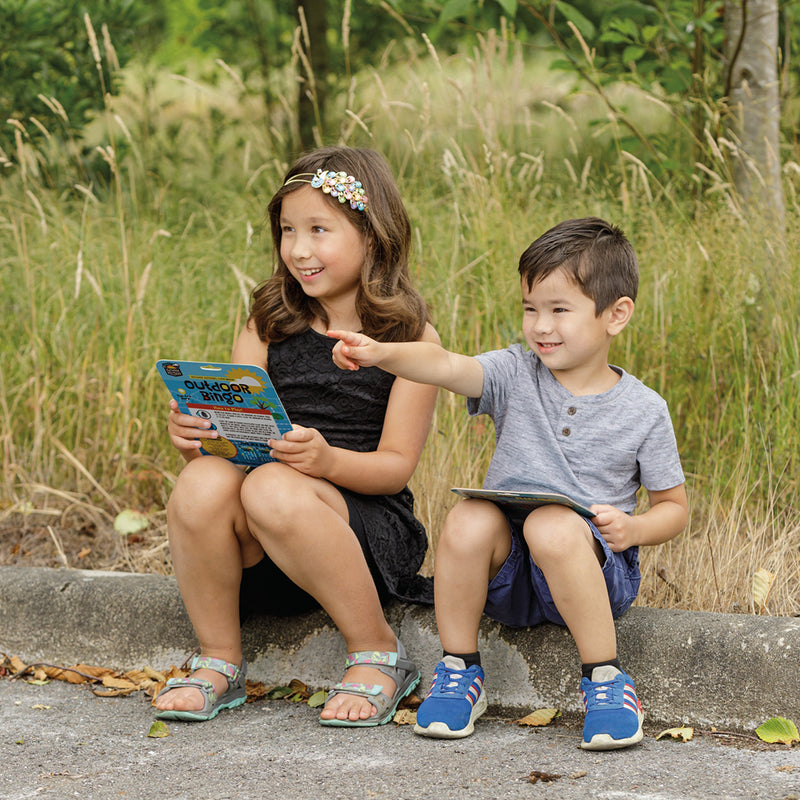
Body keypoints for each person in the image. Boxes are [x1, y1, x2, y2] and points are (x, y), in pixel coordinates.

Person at [329, 217, 688, 749]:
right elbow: (445, 365)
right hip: (508, 574)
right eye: (530, 309)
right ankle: (460, 670)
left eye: (559, 310)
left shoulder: (643, 410)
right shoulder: (513, 373)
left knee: (553, 524)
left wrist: (633, 530)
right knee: (469, 515)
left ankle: (606, 680)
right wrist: (383, 354)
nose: (541, 326)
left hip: (589, 569)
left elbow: (674, 508)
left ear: (616, 315)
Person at [154, 146, 440, 727]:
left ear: (372, 235)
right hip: (267, 543)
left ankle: (377, 651)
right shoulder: (268, 323)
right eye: (288, 230)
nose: (299, 249)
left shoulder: (410, 336)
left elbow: (394, 469)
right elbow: (237, 444)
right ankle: (218, 659)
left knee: (272, 489)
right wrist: (197, 435)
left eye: (318, 229)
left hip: (361, 528)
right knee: (203, 479)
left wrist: (327, 460)